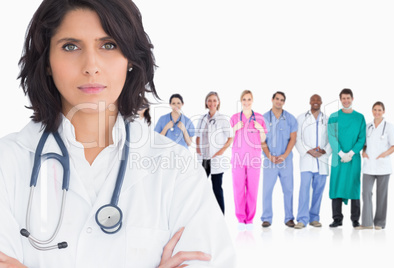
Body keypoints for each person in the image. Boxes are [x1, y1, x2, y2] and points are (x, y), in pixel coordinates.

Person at [0, 0, 235, 267]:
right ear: (47, 62)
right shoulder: (6, 163)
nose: (91, 65)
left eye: (108, 45)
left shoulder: (177, 170)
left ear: (131, 59)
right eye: (70, 46)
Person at [328, 88, 366, 228]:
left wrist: (350, 153)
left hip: (353, 159)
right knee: (336, 185)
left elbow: (362, 138)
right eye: (343, 98)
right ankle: (337, 218)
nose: (346, 100)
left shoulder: (360, 117)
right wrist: (340, 153)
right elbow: (331, 136)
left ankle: (355, 219)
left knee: (354, 186)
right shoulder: (333, 117)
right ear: (340, 99)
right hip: (338, 159)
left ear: (352, 99)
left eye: (348, 98)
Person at [230, 90, 267, 231]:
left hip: (254, 159)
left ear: (252, 101)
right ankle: (240, 219)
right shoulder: (234, 118)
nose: (246, 102)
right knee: (238, 189)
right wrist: (234, 129)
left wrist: (260, 129)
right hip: (238, 159)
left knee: (252, 190)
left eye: (249, 99)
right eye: (244, 99)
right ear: (241, 101)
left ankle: (250, 220)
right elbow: (228, 137)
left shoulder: (259, 118)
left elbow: (263, 139)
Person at [357, 102, 394, 230]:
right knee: (366, 193)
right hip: (368, 166)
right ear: (372, 111)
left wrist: (384, 154)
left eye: (379, 110)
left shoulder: (389, 127)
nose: (377, 112)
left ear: (383, 111)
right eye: (375, 110)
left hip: (383, 166)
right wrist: (363, 152)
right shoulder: (367, 126)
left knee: (382, 195)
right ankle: (367, 223)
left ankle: (379, 223)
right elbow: (363, 143)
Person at [260, 91, 298, 228]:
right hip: (269, 160)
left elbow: (293, 139)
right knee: (267, 190)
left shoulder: (290, 118)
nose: (279, 102)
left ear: (284, 102)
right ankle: (266, 218)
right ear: (272, 99)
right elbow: (261, 140)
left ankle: (289, 218)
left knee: (288, 190)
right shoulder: (263, 118)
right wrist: (269, 156)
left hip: (285, 160)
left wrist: (284, 156)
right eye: (277, 99)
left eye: (282, 100)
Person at [294, 94, 331, 229]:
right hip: (307, 160)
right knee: (304, 190)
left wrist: (323, 151)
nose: (316, 102)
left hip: (322, 161)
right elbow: (298, 139)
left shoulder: (327, 120)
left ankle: (314, 218)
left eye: (318, 100)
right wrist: (309, 151)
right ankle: (302, 219)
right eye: (313, 100)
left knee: (318, 191)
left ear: (321, 102)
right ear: (309, 102)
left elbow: (331, 139)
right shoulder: (301, 118)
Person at [196, 92, 233, 214]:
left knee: (216, 187)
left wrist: (221, 151)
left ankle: (220, 215)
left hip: (216, 158)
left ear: (218, 102)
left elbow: (230, 138)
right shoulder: (202, 118)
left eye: (214, 100)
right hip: (204, 158)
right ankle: (201, 213)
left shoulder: (222, 119)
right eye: (209, 100)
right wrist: (197, 147)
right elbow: (198, 135)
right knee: (199, 186)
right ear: (206, 102)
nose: (212, 103)